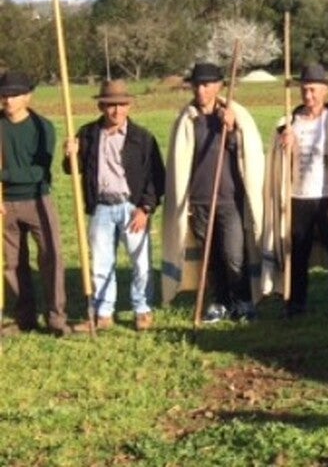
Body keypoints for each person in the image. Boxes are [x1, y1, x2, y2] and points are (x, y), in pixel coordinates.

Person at [163, 63, 268, 322]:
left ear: (219, 86)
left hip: (229, 199)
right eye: (196, 84)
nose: (200, 90)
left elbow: (246, 152)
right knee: (211, 258)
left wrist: (232, 130)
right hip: (199, 200)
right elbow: (181, 161)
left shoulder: (235, 116)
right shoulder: (188, 119)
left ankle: (243, 301)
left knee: (234, 255)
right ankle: (220, 301)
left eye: (206, 84)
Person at [64, 80, 165, 331]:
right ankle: (103, 313)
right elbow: (71, 170)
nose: (116, 110)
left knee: (141, 263)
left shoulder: (142, 138)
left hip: (132, 207)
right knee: (100, 264)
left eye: (121, 105)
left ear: (129, 106)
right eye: (110, 105)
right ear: (101, 106)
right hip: (101, 208)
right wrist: (70, 154)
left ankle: (142, 309)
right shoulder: (87, 134)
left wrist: (145, 208)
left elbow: (156, 177)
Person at [267, 63, 328, 317]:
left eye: (313, 90)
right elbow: (278, 162)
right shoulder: (290, 122)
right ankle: (297, 300)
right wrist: (284, 145)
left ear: (325, 91)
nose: (308, 95)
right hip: (299, 196)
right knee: (298, 250)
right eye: (304, 90)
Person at [0, 72, 69, 337]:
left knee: (52, 257)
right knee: (13, 263)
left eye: (14, 95)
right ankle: (24, 317)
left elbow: (39, 172)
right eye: (4, 95)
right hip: (5, 204)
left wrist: (4, 175)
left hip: (38, 200)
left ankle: (56, 319)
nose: (8, 100)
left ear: (27, 96)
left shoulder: (42, 127)